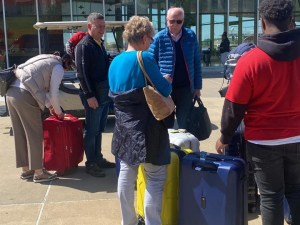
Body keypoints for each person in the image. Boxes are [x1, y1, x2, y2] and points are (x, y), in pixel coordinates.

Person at [215, 0, 300, 224]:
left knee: (271, 197)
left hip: (264, 142)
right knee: (297, 192)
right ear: (291, 22)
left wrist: (224, 137)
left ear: (262, 23)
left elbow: (234, 107)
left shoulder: (250, 62)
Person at [108, 16, 172, 225]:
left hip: (124, 129)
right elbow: (165, 89)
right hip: (149, 128)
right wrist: (165, 80)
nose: (152, 43)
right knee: (154, 178)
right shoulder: (144, 57)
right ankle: (153, 222)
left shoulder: (114, 62)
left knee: (126, 176)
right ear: (144, 38)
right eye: (152, 39)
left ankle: (129, 221)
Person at [6, 51, 73, 183]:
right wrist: (59, 113)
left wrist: (50, 107)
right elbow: (54, 94)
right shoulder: (58, 67)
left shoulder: (44, 58)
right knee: (34, 134)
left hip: (11, 93)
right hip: (25, 95)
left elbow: (38, 89)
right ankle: (39, 172)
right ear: (66, 64)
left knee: (20, 134)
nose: (65, 72)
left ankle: (26, 170)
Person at [75, 12, 115, 178]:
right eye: (99, 26)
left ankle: (98, 159)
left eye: (104, 26)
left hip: (104, 94)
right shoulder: (84, 46)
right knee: (91, 131)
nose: (102, 29)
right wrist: (89, 95)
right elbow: (82, 73)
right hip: (93, 95)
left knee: (99, 129)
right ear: (89, 26)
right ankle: (91, 163)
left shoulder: (99, 43)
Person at [148, 7, 202, 129]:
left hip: (186, 89)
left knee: (184, 125)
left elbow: (196, 62)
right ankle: (167, 148)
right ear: (167, 20)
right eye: (172, 21)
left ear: (183, 21)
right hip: (166, 90)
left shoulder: (191, 36)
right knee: (166, 125)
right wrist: (159, 80)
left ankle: (182, 147)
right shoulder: (159, 38)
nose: (175, 24)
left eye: (179, 21)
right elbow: (150, 63)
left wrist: (197, 87)